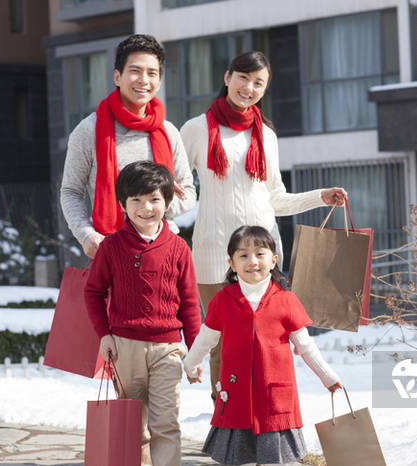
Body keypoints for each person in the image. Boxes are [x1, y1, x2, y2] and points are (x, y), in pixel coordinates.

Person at [180, 51, 347, 400]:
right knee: (219, 342)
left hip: (262, 253)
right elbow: (174, 183)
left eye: (259, 83)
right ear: (227, 77)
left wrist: (321, 196)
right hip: (214, 254)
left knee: (267, 337)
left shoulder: (266, 135)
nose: (249, 87)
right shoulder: (196, 129)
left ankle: (264, 418)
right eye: (244, 78)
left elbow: (277, 198)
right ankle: (226, 421)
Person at [184, 225, 343, 466]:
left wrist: (327, 376)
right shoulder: (222, 300)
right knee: (240, 460)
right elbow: (206, 337)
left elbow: (306, 345)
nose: (252, 261)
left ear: (273, 260)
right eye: (243, 255)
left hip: (274, 397)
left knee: (273, 461)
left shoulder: (286, 300)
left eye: (260, 253)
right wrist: (191, 364)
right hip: (236, 398)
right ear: (232, 262)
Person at [84, 161, 201, 466]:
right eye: (135, 199)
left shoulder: (179, 248)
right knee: (132, 427)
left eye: (154, 199)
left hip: (168, 349)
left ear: (168, 202)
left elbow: (189, 302)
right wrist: (104, 336)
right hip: (124, 348)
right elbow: (93, 292)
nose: (145, 207)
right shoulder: (111, 247)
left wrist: (196, 353)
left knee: (166, 423)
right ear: (123, 203)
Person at [61, 34, 196, 259]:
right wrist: (86, 234)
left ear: (159, 81)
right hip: (113, 250)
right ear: (117, 76)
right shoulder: (88, 131)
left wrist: (159, 202)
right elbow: (71, 192)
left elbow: (189, 192)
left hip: (164, 251)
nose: (144, 80)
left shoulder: (168, 131)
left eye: (152, 73)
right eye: (135, 71)